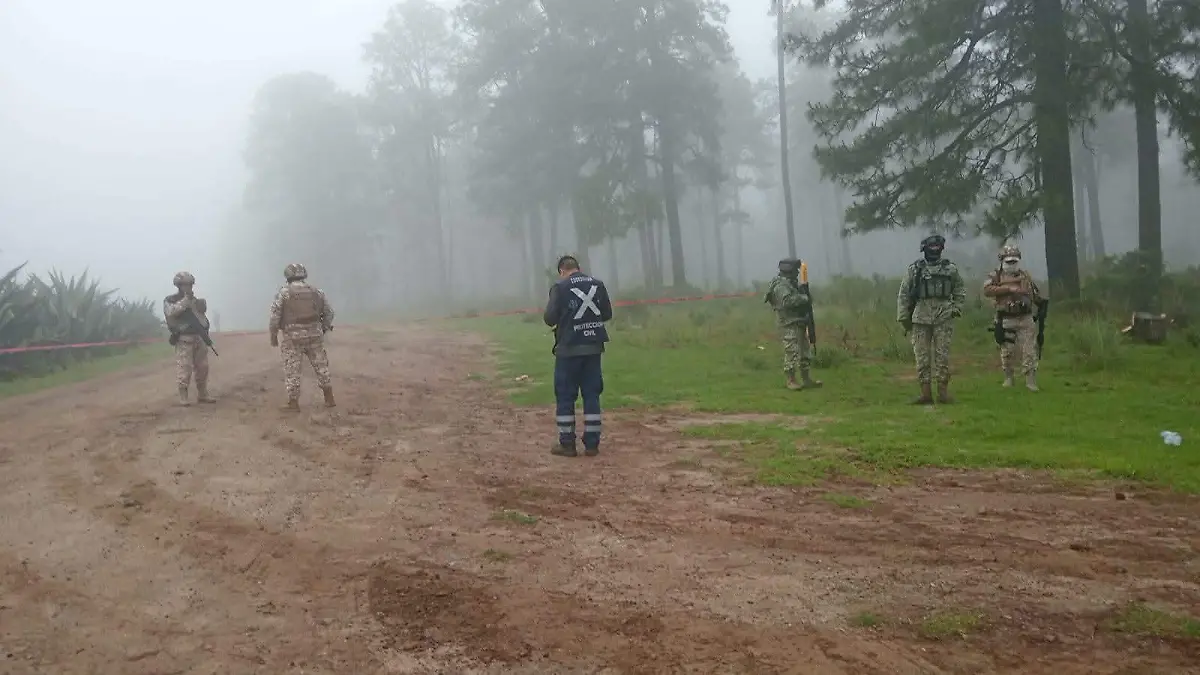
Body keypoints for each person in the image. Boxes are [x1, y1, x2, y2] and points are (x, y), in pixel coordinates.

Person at [543, 255, 613, 457]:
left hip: (569, 349)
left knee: (565, 395)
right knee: (592, 394)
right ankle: (592, 444)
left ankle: (567, 444)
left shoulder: (560, 287)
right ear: (578, 268)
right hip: (593, 348)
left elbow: (549, 318)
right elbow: (606, 314)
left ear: (561, 271)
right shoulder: (597, 284)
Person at [897, 234, 965, 404]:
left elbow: (959, 289)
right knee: (922, 357)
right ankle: (925, 394)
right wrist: (904, 318)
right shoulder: (915, 270)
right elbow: (904, 294)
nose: (935, 250)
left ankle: (943, 393)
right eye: (931, 247)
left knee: (942, 356)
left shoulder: (950, 269)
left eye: (937, 247)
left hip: (944, 317)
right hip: (920, 318)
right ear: (924, 249)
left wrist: (956, 308)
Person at [268, 263, 336, 410]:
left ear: (288, 276)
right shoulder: (316, 292)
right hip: (314, 335)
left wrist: (273, 335)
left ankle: (293, 403)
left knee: (292, 369)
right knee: (321, 366)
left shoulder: (284, 293)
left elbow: (274, 316)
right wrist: (323, 328)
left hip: (293, 337)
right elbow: (329, 313)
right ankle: (329, 397)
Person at [983, 245, 1046, 391]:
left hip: (1025, 318)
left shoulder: (1025, 276)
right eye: (1009, 261)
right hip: (1005, 318)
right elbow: (987, 290)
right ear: (1002, 261)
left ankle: (1030, 380)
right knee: (1007, 351)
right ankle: (1009, 377)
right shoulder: (996, 276)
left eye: (1014, 261)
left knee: (1029, 350)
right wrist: (1008, 289)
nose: (1012, 264)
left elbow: (1035, 294)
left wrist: (1040, 304)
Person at [763, 258, 822, 390]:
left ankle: (806, 379)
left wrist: (805, 295)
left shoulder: (791, 284)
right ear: (789, 270)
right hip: (788, 323)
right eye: (795, 270)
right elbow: (787, 301)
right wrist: (804, 298)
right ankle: (791, 380)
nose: (797, 273)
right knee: (791, 352)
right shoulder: (780, 286)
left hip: (799, 321)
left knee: (804, 352)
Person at [163, 271, 215, 406]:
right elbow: (171, 312)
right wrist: (186, 300)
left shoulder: (195, 301)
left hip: (199, 337)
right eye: (185, 285)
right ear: (179, 286)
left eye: (190, 285)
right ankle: (183, 396)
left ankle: (203, 394)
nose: (189, 287)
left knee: (203, 367)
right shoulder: (170, 300)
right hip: (183, 338)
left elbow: (202, 319)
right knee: (184, 368)